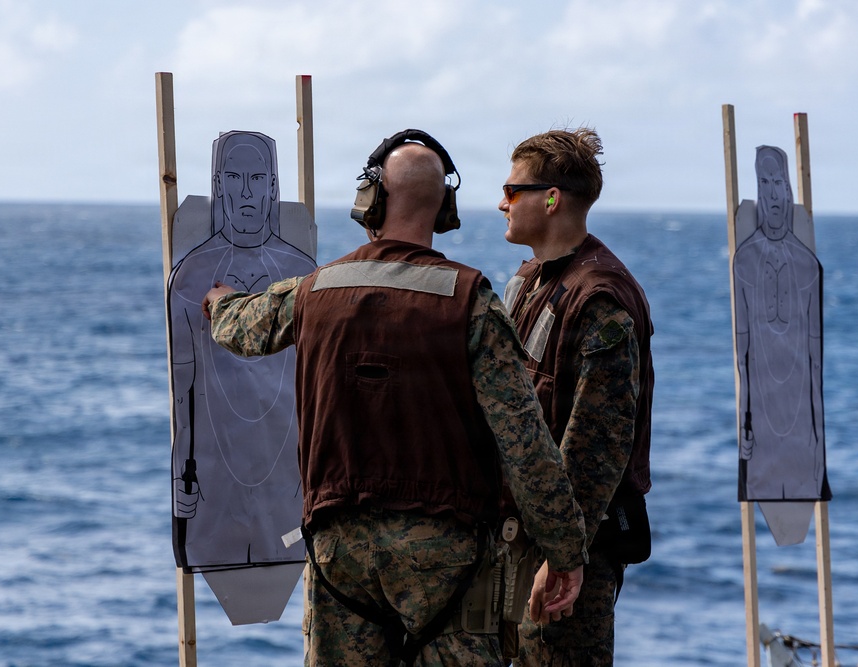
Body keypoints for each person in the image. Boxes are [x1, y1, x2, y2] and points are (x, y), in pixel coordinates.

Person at [202, 133, 589, 667]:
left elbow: (241, 328)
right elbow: (526, 447)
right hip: (445, 560)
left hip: (340, 551)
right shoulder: (470, 302)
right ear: (444, 208)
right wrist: (565, 551)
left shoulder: (315, 291)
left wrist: (219, 299)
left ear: (371, 200)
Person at [498, 128, 655, 666]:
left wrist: (564, 556)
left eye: (512, 190)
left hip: (570, 550)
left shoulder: (600, 299)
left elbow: (597, 445)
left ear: (550, 198)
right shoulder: (529, 280)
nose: (502, 203)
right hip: (522, 537)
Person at [169, 130, 316, 571]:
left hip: (289, 481)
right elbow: (184, 388)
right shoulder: (191, 274)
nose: (247, 191)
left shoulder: (303, 274)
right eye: (234, 176)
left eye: (257, 177)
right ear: (218, 187)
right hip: (215, 481)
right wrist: (182, 473)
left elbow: (316, 386)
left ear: (274, 187)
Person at [733, 145, 827, 502]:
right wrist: (744, 425)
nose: (772, 193)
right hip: (762, 428)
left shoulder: (806, 266)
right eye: (764, 183)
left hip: (801, 426)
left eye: (779, 182)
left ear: (789, 190)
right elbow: (742, 359)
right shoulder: (744, 263)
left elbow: (815, 362)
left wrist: (818, 440)